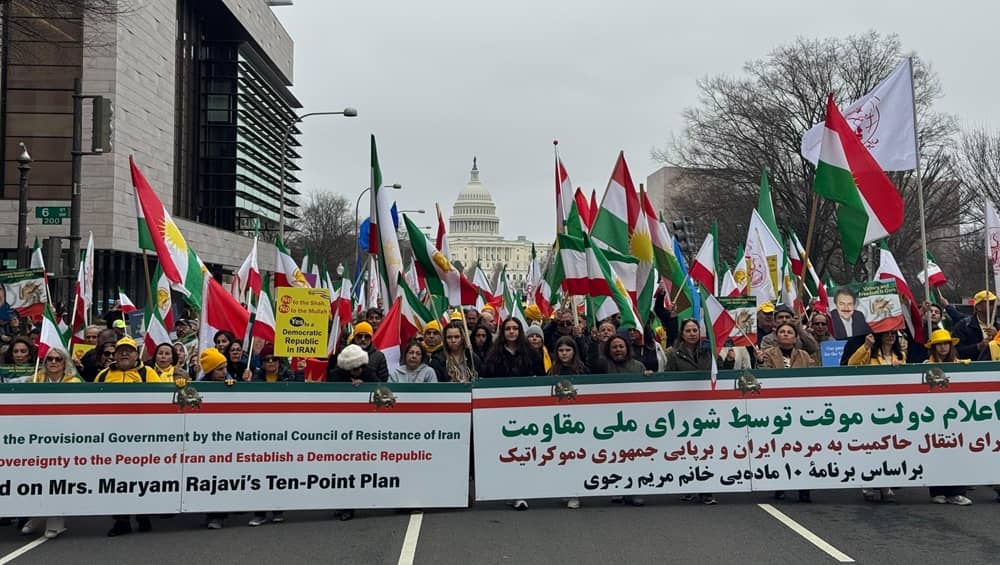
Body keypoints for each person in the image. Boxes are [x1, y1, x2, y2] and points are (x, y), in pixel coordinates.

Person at [101, 337, 170, 537]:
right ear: (114, 354)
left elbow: (161, 401)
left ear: (135, 354)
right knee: (117, 480)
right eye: (120, 350)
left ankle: (143, 515)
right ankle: (121, 521)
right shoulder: (104, 375)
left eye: (129, 351)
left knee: (142, 477)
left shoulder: (147, 373)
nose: (124, 354)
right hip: (112, 438)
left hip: (142, 438)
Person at [21, 346, 80, 538]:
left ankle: (56, 519)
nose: (53, 362)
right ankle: (36, 515)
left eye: (58, 359)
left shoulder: (75, 383)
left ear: (65, 363)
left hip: (65, 438)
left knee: (58, 479)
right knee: (36, 478)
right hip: (37, 437)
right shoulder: (33, 381)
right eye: (49, 359)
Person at [664, 319, 719, 505]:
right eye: (688, 330)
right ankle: (688, 487)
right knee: (686, 448)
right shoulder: (672, 354)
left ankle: (707, 490)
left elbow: (718, 374)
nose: (692, 333)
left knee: (705, 450)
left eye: (695, 330)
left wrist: (727, 361)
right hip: (682, 407)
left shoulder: (708, 351)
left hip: (705, 407)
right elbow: (668, 378)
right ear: (682, 334)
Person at [759, 323, 816, 503]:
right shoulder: (767, 354)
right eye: (782, 332)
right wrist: (760, 363)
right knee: (779, 449)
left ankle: (804, 488)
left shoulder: (804, 356)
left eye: (789, 332)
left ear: (795, 337)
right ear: (777, 336)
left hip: (800, 411)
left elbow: (814, 378)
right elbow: (762, 379)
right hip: (776, 411)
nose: (785, 334)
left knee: (803, 451)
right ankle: (780, 486)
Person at [922, 329, 974, 505]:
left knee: (959, 453)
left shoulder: (961, 365)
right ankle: (937, 491)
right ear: (933, 348)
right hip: (933, 418)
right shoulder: (924, 365)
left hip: (956, 417)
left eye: (945, 344)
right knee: (935, 452)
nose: (943, 347)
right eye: (939, 344)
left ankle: (957, 492)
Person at [951, 290, 999, 360]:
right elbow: (955, 351)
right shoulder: (963, 326)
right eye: (990, 303)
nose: (994, 306)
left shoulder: (998, 325)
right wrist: (978, 347)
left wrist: (997, 335)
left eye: (995, 303)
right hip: (972, 368)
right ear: (978, 307)